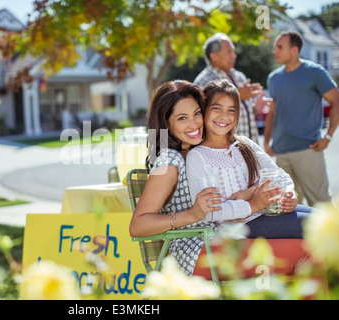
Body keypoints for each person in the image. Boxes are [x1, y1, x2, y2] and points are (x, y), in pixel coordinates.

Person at [129, 79, 310, 280]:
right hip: (196, 251)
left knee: (312, 244)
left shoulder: (191, 151)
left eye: (197, 113)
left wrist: (254, 192)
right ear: (167, 123)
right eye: (182, 118)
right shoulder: (170, 161)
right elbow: (138, 225)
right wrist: (191, 215)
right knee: (306, 253)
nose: (194, 123)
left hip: (222, 237)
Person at [187, 79, 311, 242]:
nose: (224, 116)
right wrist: (251, 201)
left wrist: (288, 194)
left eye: (231, 110)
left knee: (327, 218)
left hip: (268, 212)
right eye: (216, 108)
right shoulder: (197, 156)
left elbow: (279, 175)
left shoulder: (244, 144)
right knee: (315, 226)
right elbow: (209, 211)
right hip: (241, 225)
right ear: (203, 110)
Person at [264, 31, 339, 206]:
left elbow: (336, 101)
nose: (275, 51)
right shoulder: (273, 78)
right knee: (288, 207)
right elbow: (273, 113)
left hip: (308, 149)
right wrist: (267, 141)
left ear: (295, 50)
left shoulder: (315, 72)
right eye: (275, 47)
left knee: (321, 205)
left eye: (280, 47)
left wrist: (328, 136)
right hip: (281, 153)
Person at [193, 33, 270, 144]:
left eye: (233, 51)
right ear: (213, 56)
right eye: (229, 52)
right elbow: (203, 116)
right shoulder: (204, 81)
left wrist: (255, 108)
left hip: (249, 150)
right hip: (225, 152)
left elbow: (241, 116)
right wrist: (238, 95)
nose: (234, 56)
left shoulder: (239, 76)